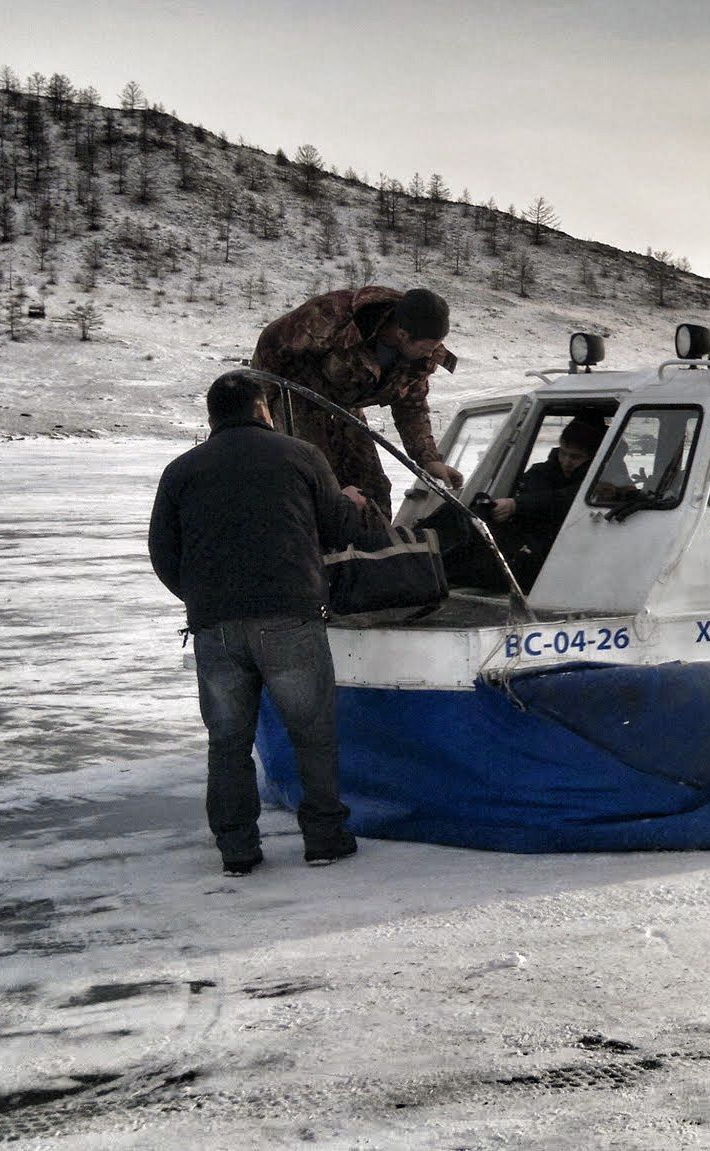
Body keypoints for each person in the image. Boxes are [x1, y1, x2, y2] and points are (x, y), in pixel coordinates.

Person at [148, 371, 367, 877]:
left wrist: (202, 599)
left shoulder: (181, 470)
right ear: (262, 410)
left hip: (216, 627)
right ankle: (325, 839)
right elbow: (336, 532)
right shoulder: (302, 455)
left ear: (211, 417)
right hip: (290, 614)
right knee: (311, 731)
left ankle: (237, 849)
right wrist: (352, 504)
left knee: (227, 741)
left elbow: (162, 552)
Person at [251, 286, 465, 514]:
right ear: (402, 334)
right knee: (319, 486)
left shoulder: (420, 357)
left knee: (373, 490)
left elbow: (411, 407)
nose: (430, 353)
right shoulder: (331, 317)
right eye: (426, 347)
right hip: (298, 400)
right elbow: (270, 348)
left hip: (345, 408)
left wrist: (429, 459)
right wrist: (265, 410)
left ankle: (375, 546)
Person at [490, 415, 606, 588]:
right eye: (563, 453)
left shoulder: (601, 479)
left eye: (575, 457)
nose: (566, 461)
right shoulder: (540, 472)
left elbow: (571, 498)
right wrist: (516, 504)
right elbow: (540, 497)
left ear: (592, 457)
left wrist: (517, 505)